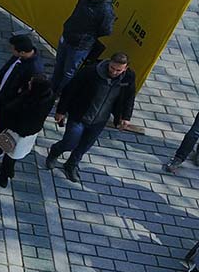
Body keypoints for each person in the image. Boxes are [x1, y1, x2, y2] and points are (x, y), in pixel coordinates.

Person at [46, 52, 136, 184]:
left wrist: (125, 117)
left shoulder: (129, 77)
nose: (114, 72)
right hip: (79, 115)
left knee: (84, 146)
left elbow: (129, 97)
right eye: (112, 68)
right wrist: (61, 111)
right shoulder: (90, 72)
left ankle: (71, 165)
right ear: (108, 62)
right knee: (70, 142)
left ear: (125, 68)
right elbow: (70, 90)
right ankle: (55, 152)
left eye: (118, 70)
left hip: (100, 119)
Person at [50, 0, 116, 93]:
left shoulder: (106, 11)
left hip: (79, 46)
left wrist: (87, 34)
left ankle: (61, 92)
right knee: (59, 64)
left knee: (69, 72)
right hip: (67, 36)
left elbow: (106, 30)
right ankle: (51, 87)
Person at [0, 74, 55, 188]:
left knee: (10, 154)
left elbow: (14, 113)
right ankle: (8, 171)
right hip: (30, 133)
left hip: (19, 133)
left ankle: (4, 177)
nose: (29, 83)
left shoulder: (30, 103)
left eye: (31, 83)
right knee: (13, 154)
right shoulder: (47, 96)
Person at [0, 33, 44, 150]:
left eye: (13, 49)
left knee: (3, 124)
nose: (11, 51)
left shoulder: (34, 69)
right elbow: (7, 68)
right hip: (3, 94)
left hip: (10, 101)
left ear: (22, 52)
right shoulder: (20, 56)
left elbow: (28, 91)